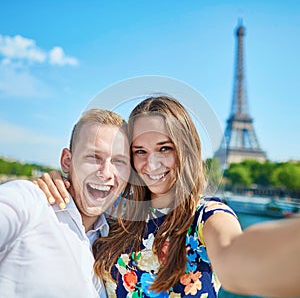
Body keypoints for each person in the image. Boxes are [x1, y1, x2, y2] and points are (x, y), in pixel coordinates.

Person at [39, 96, 300, 297]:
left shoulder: (207, 219)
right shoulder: (115, 215)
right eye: (140, 151)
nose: (151, 164)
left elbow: (237, 258)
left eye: (164, 148)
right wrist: (58, 181)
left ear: (186, 150)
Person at [0, 109, 131, 297]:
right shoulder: (31, 202)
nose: (106, 172)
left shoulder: (114, 240)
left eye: (119, 161)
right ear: (67, 161)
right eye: (94, 157)